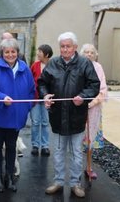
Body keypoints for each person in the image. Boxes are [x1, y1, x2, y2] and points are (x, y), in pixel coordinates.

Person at [39, 32, 100, 198]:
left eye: (68, 46)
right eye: (62, 46)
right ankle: (58, 181)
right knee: (58, 152)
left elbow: (94, 84)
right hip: (57, 117)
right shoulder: (52, 63)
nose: (65, 49)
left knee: (76, 153)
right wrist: (45, 95)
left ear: (75, 47)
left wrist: (84, 96)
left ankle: (75, 183)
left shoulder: (85, 64)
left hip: (76, 117)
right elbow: (42, 82)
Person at [0, 38, 35, 193]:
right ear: (2, 53)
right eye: (7, 52)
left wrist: (26, 108)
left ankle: (9, 177)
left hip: (16, 116)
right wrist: (2, 98)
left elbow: (31, 90)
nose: (10, 54)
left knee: (12, 148)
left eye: (13, 51)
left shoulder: (24, 68)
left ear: (17, 53)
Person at [80, 43, 108, 178]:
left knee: (90, 140)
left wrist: (92, 103)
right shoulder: (77, 66)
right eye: (86, 52)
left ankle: (89, 167)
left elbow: (103, 89)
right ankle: (75, 168)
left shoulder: (98, 67)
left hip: (94, 108)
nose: (89, 54)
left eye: (92, 52)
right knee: (77, 139)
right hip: (78, 107)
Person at [29, 44, 53, 156]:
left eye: (40, 51)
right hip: (35, 98)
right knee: (35, 122)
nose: (38, 53)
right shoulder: (35, 65)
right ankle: (35, 145)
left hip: (48, 99)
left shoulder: (53, 65)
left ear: (47, 54)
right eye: (38, 51)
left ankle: (45, 146)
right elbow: (29, 80)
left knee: (45, 122)